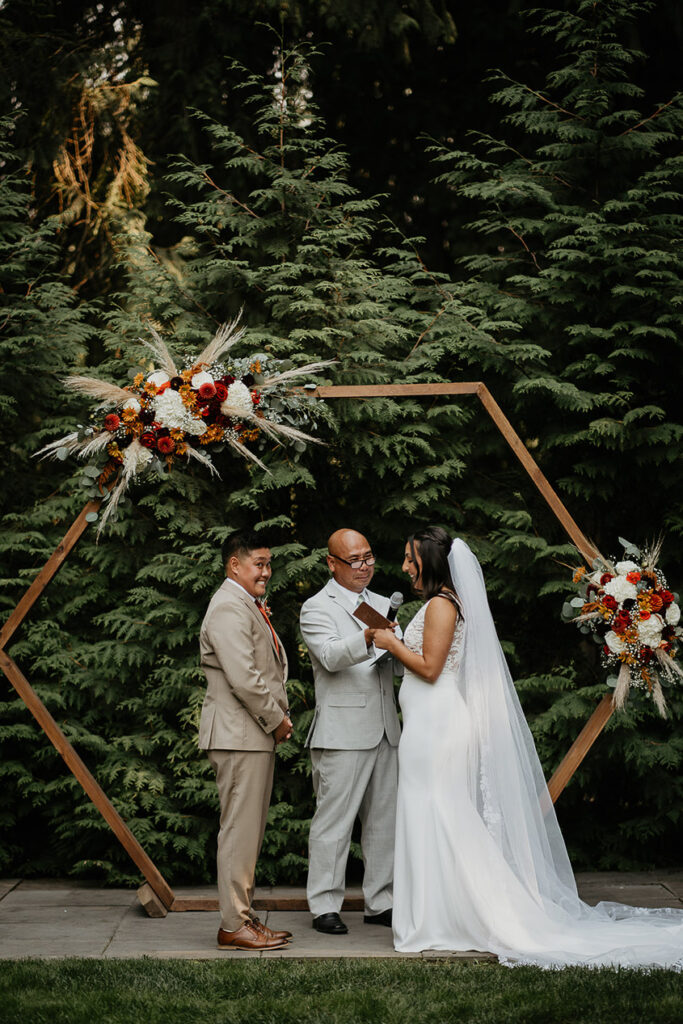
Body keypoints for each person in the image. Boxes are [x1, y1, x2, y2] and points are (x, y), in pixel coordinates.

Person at [373, 525, 683, 968]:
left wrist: (389, 642)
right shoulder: (437, 604)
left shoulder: (442, 604)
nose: (404, 566)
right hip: (427, 723)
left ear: (431, 561)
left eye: (410, 557)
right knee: (432, 813)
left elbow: (429, 668)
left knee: (439, 812)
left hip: (437, 726)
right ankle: (437, 914)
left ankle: (449, 917)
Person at [300, 528, 402, 934]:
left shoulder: (381, 604)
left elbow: (392, 662)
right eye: (354, 560)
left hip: (385, 728)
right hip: (341, 731)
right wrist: (368, 637)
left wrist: (403, 648)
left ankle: (381, 902)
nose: (364, 566)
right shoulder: (316, 607)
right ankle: (324, 905)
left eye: (369, 557)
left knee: (384, 822)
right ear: (332, 563)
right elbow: (328, 657)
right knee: (334, 824)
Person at [198, 529, 293, 951]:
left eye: (269, 564)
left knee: (247, 831)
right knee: (239, 831)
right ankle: (233, 924)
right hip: (240, 734)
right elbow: (244, 678)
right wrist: (276, 720)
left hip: (247, 734)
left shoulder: (242, 604)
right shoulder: (227, 608)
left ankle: (242, 916)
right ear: (234, 564)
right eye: (259, 563)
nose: (267, 572)